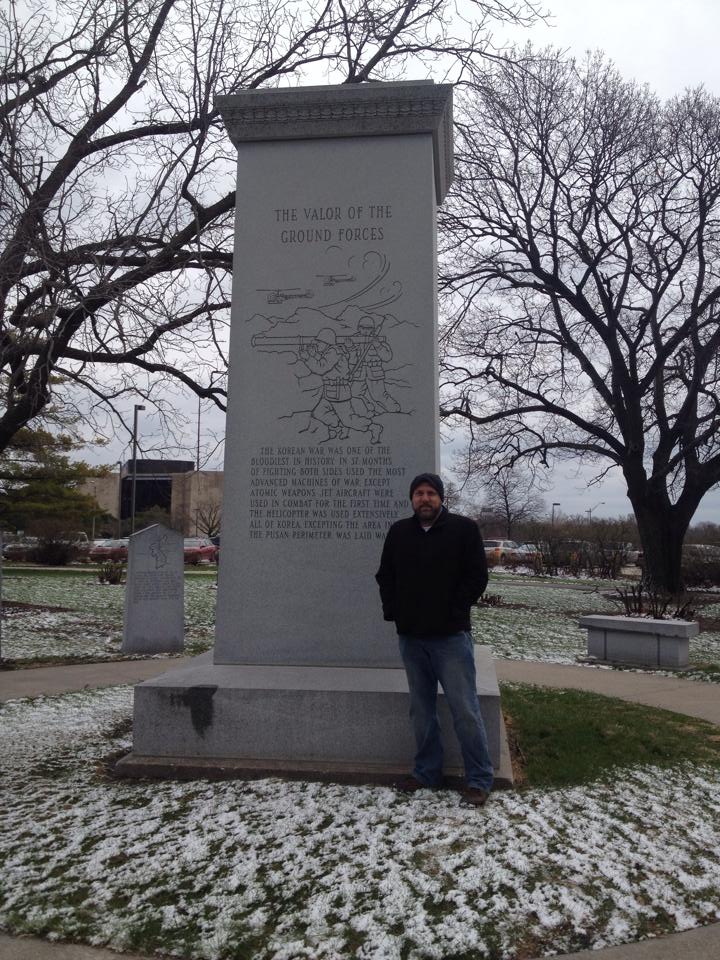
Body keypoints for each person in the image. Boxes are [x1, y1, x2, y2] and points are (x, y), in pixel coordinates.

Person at [375, 472, 494, 806]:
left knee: (465, 709)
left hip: (451, 638)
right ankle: (427, 771)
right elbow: (385, 575)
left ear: (441, 498)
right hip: (412, 638)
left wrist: (454, 611)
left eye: (430, 493)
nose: (424, 499)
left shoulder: (464, 529)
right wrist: (394, 611)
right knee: (422, 711)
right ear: (412, 499)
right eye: (419, 493)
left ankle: (479, 778)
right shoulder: (399, 532)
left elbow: (477, 576)